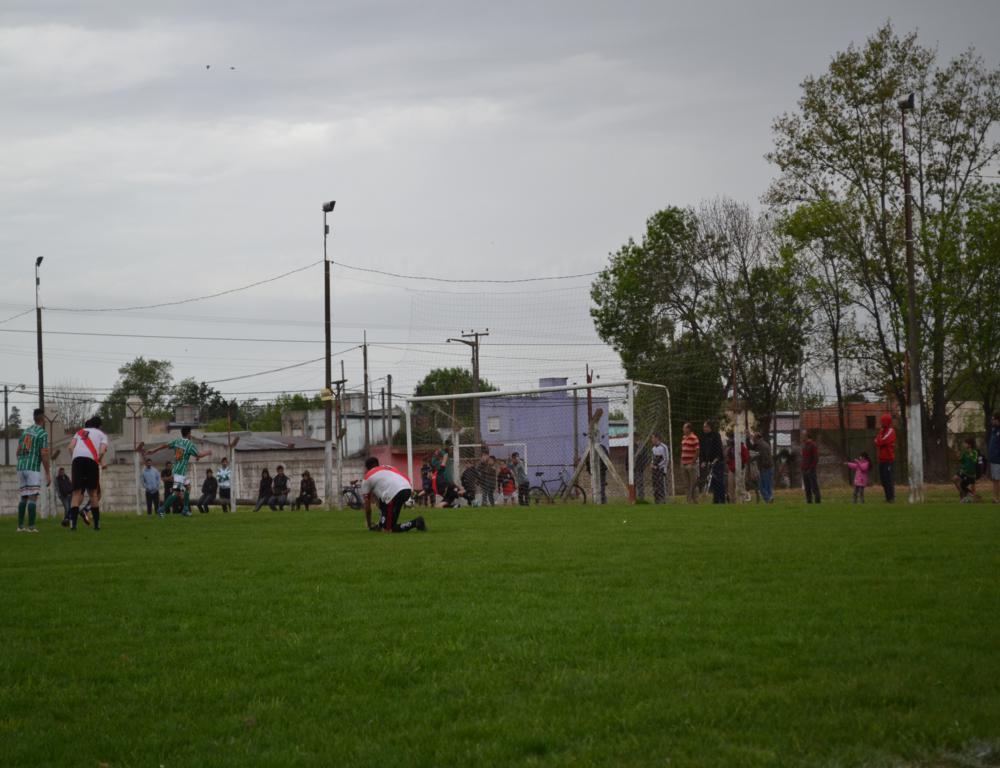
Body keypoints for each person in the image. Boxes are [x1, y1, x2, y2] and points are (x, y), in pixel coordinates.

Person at [146, 426, 211, 518]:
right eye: (190, 433)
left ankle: (185, 509)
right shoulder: (189, 444)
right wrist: (208, 452)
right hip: (180, 472)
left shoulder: (177, 441)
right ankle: (161, 510)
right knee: (176, 493)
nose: (191, 435)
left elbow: (165, 445)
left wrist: (154, 450)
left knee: (188, 487)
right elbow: (198, 455)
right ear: (189, 434)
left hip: (179, 470)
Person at [360, 457, 426, 532]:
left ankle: (415, 522)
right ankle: (382, 524)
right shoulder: (388, 467)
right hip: (407, 488)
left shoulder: (367, 478)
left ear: (367, 468)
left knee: (387, 530)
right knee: (388, 522)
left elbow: (367, 507)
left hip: (393, 493)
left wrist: (369, 524)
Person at [68, 415, 108, 530]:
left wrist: (74, 459)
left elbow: (70, 447)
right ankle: (96, 525)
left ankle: (73, 525)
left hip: (77, 460)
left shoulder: (79, 432)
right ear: (99, 426)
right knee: (93, 493)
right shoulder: (102, 434)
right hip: (91, 461)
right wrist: (99, 461)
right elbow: (102, 452)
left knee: (76, 493)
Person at [15, 408, 51, 533]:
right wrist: (48, 472)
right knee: (33, 496)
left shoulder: (25, 432)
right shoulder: (42, 434)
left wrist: (22, 462)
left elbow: (17, 451)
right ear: (43, 419)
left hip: (21, 466)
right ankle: (31, 527)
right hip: (32, 468)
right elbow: (44, 454)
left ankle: (20, 526)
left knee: (23, 496)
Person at [699, 421, 725, 504]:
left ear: (709, 427)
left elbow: (719, 448)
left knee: (719, 481)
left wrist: (716, 459)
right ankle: (716, 499)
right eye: (703, 427)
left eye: (705, 427)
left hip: (718, 462)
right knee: (713, 481)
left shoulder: (716, 435)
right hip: (709, 462)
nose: (704, 429)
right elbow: (702, 450)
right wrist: (703, 461)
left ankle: (722, 500)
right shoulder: (704, 437)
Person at [874, 414, 896, 503]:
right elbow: (876, 441)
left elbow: (882, 441)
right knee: (883, 480)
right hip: (881, 459)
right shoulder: (881, 431)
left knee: (888, 479)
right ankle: (887, 498)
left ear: (887, 422)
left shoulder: (891, 431)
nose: (881, 423)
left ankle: (891, 498)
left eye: (883, 421)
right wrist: (880, 441)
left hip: (888, 459)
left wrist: (880, 441)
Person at [954, 438, 981, 503]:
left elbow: (974, 461)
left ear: (969, 445)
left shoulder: (975, 452)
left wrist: (970, 453)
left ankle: (969, 496)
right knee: (954, 479)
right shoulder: (965, 452)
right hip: (964, 471)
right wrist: (958, 457)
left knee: (963, 485)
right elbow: (962, 461)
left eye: (965, 443)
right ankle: (965, 495)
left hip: (970, 473)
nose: (964, 444)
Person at [680, 423, 700, 504]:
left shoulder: (694, 438)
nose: (683, 429)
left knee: (693, 483)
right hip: (684, 463)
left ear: (688, 429)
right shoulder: (684, 437)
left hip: (691, 464)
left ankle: (695, 500)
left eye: (684, 428)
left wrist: (692, 462)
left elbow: (697, 451)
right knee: (686, 484)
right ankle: (688, 500)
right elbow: (683, 450)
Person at [801, 429, 820, 504]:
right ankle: (809, 501)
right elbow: (804, 458)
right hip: (804, 469)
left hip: (811, 470)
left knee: (814, 486)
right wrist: (802, 467)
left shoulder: (813, 445)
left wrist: (811, 468)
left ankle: (817, 501)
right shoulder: (804, 445)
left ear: (806, 436)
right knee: (807, 487)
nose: (802, 437)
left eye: (803, 435)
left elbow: (816, 458)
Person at [754, 433, 774, 503]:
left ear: (757, 438)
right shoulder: (765, 444)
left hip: (765, 468)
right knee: (767, 485)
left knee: (762, 486)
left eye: (754, 439)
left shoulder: (761, 446)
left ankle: (768, 498)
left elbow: (765, 457)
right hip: (769, 467)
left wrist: (762, 467)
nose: (754, 441)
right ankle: (770, 498)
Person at [650, 433, 669, 504]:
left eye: (653, 438)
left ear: (657, 438)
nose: (652, 440)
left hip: (661, 469)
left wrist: (658, 466)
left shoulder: (664, 447)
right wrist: (652, 464)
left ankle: (663, 500)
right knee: (655, 485)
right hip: (654, 470)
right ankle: (657, 500)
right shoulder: (653, 448)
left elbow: (666, 459)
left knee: (661, 484)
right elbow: (653, 458)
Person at [988, 412, 1000, 504]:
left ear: (997, 420)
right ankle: (995, 497)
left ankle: (995, 497)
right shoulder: (994, 430)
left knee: (997, 479)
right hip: (993, 459)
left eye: (993, 419)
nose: (992, 421)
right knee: (995, 479)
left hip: (998, 459)